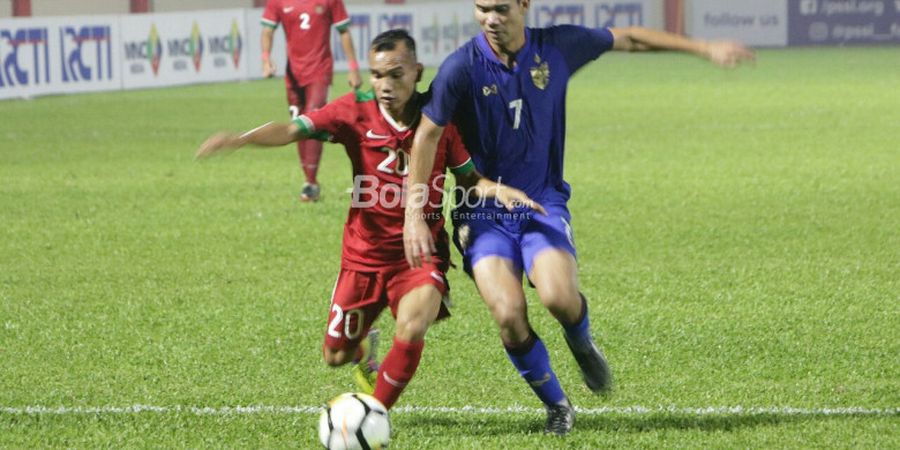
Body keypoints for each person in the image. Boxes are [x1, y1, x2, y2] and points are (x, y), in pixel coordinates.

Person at [402, 0, 756, 435]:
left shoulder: (557, 48)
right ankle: (557, 406)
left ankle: (580, 339)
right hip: (484, 212)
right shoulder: (462, 66)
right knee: (509, 314)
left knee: (558, 298)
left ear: (523, 5)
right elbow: (426, 136)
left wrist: (703, 47)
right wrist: (414, 216)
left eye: (499, 8)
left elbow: (630, 38)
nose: (490, 19)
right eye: (481, 9)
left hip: (543, 203)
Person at [197, 29, 543, 410]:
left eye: (396, 74)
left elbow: (468, 179)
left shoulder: (439, 121)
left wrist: (499, 190)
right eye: (377, 75)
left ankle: (375, 413)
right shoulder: (353, 111)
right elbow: (293, 129)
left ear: (416, 72)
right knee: (335, 356)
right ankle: (363, 348)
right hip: (362, 257)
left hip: (418, 255)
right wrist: (241, 139)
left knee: (413, 325)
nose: (385, 85)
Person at [261, 0, 363, 202]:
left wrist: (353, 67)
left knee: (311, 119)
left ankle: (310, 183)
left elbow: (343, 31)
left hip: (320, 71)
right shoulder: (277, 2)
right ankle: (309, 179)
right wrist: (266, 58)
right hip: (293, 74)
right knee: (297, 124)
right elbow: (267, 30)